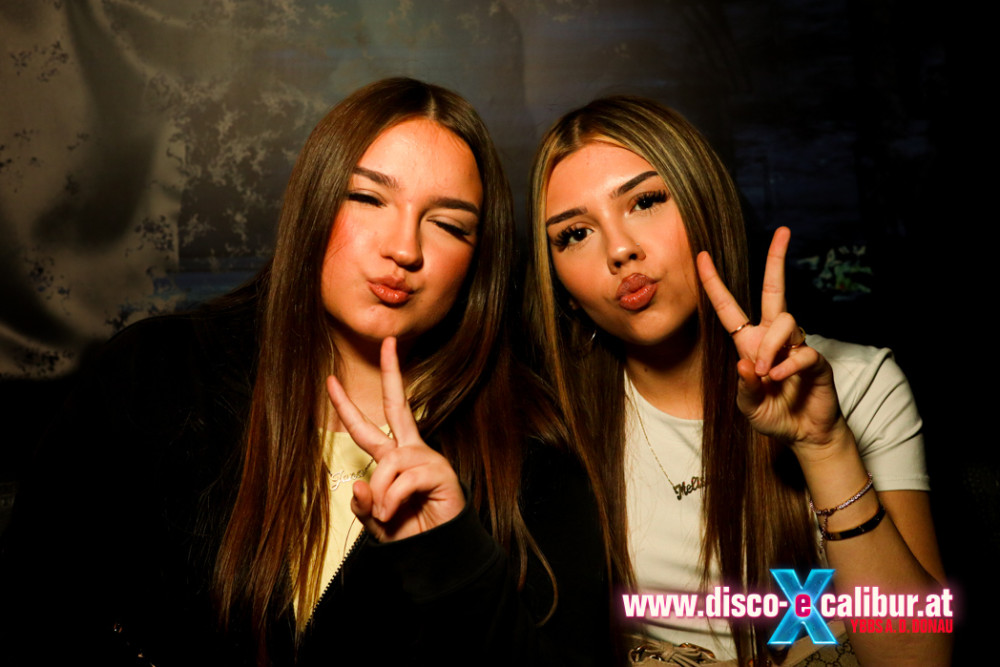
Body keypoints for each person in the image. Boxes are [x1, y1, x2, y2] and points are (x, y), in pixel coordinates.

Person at [0, 78, 610, 666]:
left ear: (480, 261)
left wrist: (453, 556)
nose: (404, 248)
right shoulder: (153, 374)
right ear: (313, 201)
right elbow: (33, 608)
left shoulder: (533, 449)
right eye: (368, 198)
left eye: (449, 225)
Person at [525, 96, 949, 665]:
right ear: (563, 289)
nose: (619, 248)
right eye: (575, 233)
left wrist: (825, 448)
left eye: (645, 201)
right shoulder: (553, 429)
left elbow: (919, 658)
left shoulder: (859, 382)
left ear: (706, 205)